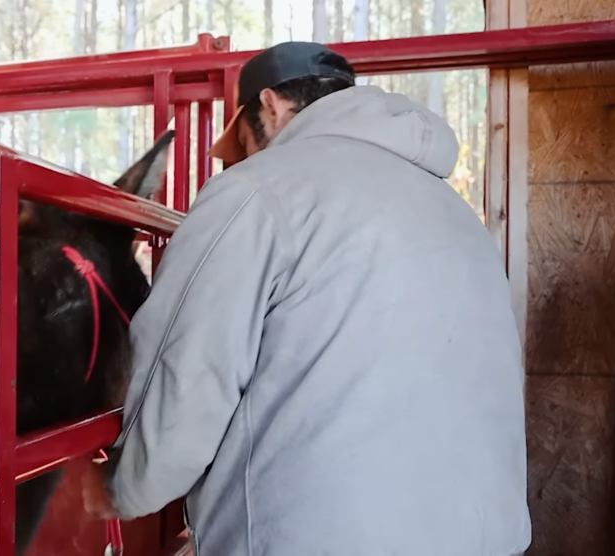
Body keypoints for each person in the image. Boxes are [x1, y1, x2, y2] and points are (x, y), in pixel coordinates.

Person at [82, 41, 532, 556]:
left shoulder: (256, 191)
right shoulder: (455, 212)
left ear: (270, 105)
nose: (243, 160)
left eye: (242, 143)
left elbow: (187, 379)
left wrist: (118, 486)